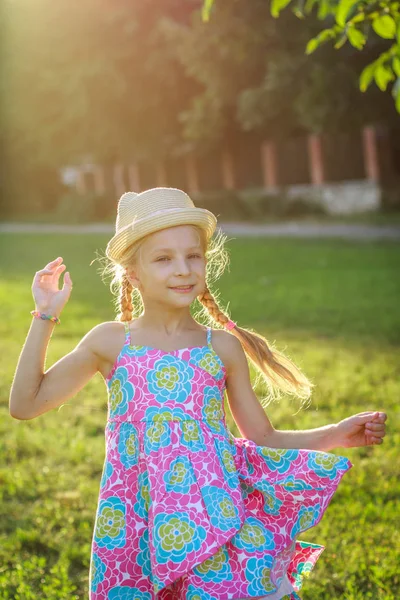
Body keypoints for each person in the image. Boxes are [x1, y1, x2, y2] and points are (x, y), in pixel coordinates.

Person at [9, 187, 387, 600]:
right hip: (139, 525)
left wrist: (337, 432)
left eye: (193, 256)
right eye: (164, 259)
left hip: (217, 520)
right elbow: (25, 404)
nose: (184, 270)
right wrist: (45, 315)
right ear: (133, 273)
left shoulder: (220, 348)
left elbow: (263, 438)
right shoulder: (111, 343)